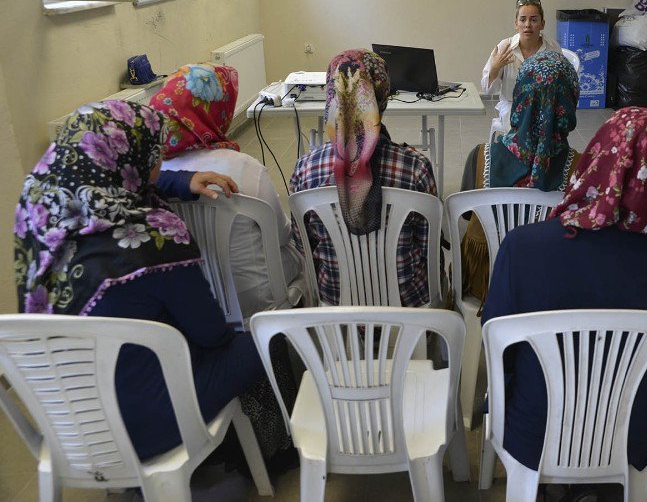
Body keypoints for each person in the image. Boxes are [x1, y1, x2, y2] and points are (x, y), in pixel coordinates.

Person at [12, 100, 287, 462]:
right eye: (157, 153)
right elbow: (212, 335)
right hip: (146, 426)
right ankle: (270, 451)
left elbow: (141, 182)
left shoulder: (40, 215)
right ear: (132, 160)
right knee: (272, 338)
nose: (162, 161)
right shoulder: (153, 239)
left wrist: (181, 181)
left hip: (69, 426)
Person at [481, 107, 647, 489]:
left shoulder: (522, 247)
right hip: (628, 437)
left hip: (535, 431)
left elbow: (498, 349)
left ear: (597, 154)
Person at [150, 63, 306, 318]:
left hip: (192, 297)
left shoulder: (155, 173)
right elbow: (280, 236)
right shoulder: (245, 168)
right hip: (256, 297)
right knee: (298, 248)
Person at [289, 50, 436, 306]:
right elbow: (429, 248)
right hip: (407, 306)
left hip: (335, 300)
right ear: (383, 98)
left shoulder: (305, 170)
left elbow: (303, 248)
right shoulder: (415, 168)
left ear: (331, 96)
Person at [459, 51, 581, 300]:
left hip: (489, 283)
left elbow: (466, 213)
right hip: (548, 288)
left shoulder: (481, 157)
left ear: (520, 97)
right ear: (568, 103)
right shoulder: (581, 170)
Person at [482, 0, 564, 138]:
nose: (528, 25)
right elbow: (487, 90)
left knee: (549, 134)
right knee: (522, 134)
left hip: (543, 107)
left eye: (534, 20)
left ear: (542, 24)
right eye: (523, 19)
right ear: (516, 24)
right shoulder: (505, 47)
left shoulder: (552, 48)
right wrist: (495, 68)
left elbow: (562, 84)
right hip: (512, 106)